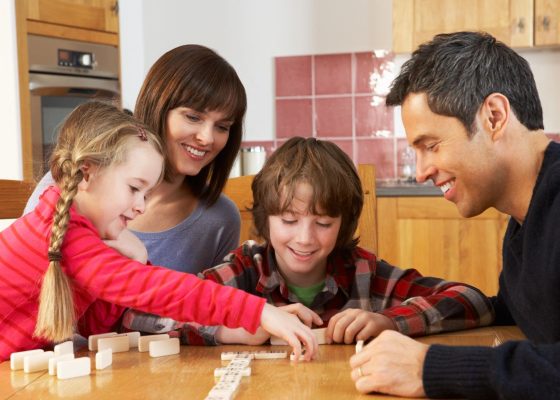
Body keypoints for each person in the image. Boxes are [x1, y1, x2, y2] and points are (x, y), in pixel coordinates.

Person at [0, 102, 318, 362]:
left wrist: (136, 258)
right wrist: (259, 311)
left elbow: (95, 324)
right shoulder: (70, 238)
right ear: (87, 173)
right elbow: (163, 290)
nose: (140, 206)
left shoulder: (75, 231)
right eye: (134, 188)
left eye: (147, 194)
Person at [122, 136, 493, 346]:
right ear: (265, 219)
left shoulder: (363, 270)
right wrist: (239, 326)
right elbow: (138, 314)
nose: (304, 238)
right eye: (288, 220)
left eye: (323, 223)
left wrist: (389, 322)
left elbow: (473, 300)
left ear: (344, 225)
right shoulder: (246, 269)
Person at [349, 31, 560, 399]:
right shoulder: (525, 219)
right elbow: (511, 310)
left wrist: (429, 369)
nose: (421, 171)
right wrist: (394, 321)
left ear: (494, 116)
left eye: (431, 146)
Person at [25, 44, 244, 274]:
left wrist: (140, 263)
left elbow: (212, 304)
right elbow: (25, 277)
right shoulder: (76, 178)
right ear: (158, 106)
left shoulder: (219, 219)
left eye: (222, 126)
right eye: (192, 117)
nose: (207, 138)